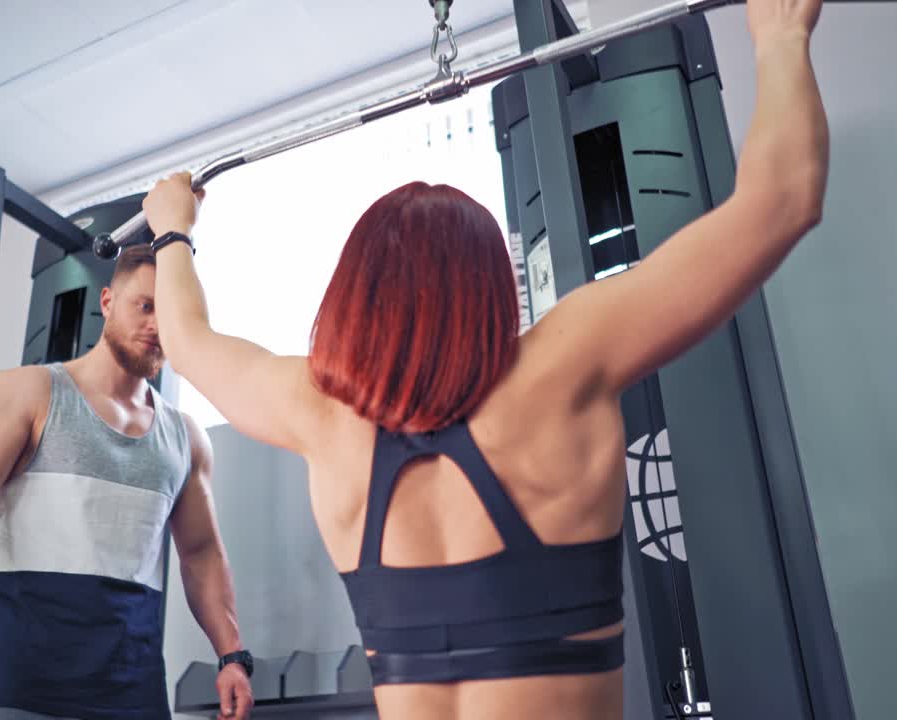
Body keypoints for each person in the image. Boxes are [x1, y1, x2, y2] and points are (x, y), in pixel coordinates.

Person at [140, 0, 827, 717]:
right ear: (488, 285)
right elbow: (783, 201)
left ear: (356, 300)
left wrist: (172, 230)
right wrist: (779, 32)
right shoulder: (565, 361)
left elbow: (186, 342)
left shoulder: (318, 413)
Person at [0, 246, 255, 720]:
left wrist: (232, 655)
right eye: (144, 306)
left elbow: (201, 552)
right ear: (107, 301)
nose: (156, 326)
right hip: (14, 685)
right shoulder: (23, 393)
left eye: (170, 314)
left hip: (131, 692)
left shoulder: (184, 436)